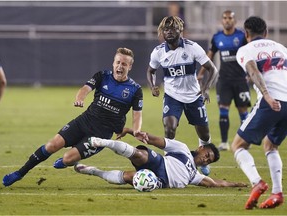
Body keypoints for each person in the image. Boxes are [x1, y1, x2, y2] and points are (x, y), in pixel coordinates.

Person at [3, 47, 146, 187]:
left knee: (67, 158)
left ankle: (67, 161)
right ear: (113, 63)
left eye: (124, 64)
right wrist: (80, 98)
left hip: (100, 135)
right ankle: (19, 173)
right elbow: (85, 89)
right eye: (118, 62)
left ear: (130, 67)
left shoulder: (135, 89)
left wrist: (137, 130)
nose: (120, 66)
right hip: (84, 121)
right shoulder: (102, 76)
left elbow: (137, 114)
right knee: (51, 145)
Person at [146, 16, 218, 176]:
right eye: (166, 29)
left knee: (204, 133)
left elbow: (213, 69)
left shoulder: (192, 48)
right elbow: (151, 71)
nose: (169, 32)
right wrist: (153, 86)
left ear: (180, 30)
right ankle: (168, 161)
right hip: (172, 96)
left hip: (194, 96)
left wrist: (206, 89)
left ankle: (203, 154)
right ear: (162, 32)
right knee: (169, 128)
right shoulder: (158, 52)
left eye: (173, 29)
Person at [231, 16, 287, 209]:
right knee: (270, 145)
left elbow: (252, 69)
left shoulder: (246, 50)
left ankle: (257, 182)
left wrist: (267, 95)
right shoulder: (281, 48)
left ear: (246, 33)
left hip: (271, 100)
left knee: (238, 145)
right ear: (266, 32)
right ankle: (277, 193)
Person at [74, 127, 247, 189]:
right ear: (201, 148)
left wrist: (236, 184)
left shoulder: (195, 176)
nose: (206, 159)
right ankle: (103, 142)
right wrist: (140, 134)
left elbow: (216, 183)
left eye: (209, 161)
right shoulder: (183, 149)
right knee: (139, 154)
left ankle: (95, 172)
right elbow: (159, 141)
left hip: (159, 181)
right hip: (159, 162)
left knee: (130, 178)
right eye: (207, 155)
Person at [197, 10, 251, 151]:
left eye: (230, 18)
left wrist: (251, 73)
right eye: (225, 18)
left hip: (240, 80)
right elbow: (209, 57)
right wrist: (200, 74)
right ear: (222, 21)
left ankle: (245, 141)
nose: (227, 20)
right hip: (224, 80)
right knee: (223, 110)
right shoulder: (217, 37)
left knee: (243, 111)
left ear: (235, 21)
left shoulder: (241, 36)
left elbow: (250, 53)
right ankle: (224, 142)